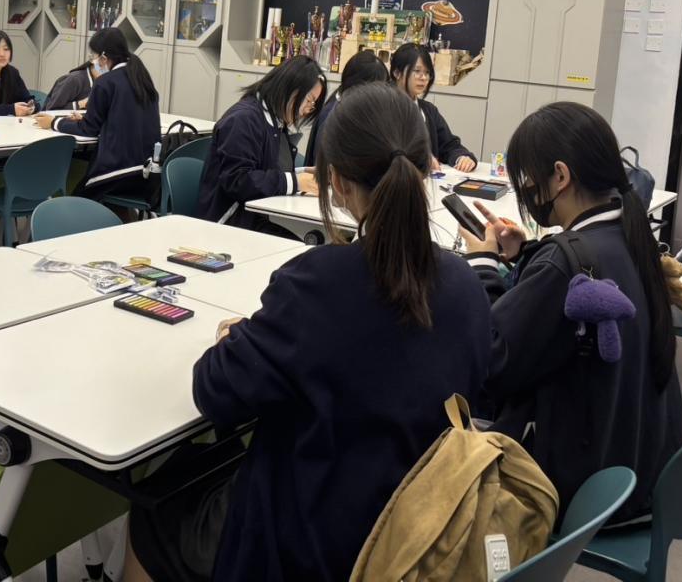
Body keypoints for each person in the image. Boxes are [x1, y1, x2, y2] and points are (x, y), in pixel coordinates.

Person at [123, 84, 492, 582]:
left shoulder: (318, 283)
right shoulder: (466, 285)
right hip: (424, 534)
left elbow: (215, 392)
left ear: (334, 180)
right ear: (426, 170)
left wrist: (237, 341)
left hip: (309, 543)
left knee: (153, 511)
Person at [459, 101, 682, 524]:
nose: (526, 190)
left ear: (560, 176)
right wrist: (526, 254)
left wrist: (483, 265)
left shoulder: (564, 262)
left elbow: (494, 360)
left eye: (528, 178)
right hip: (636, 472)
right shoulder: (630, 235)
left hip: (574, 488)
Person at [197, 56, 325, 232]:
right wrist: (296, 182)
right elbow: (239, 181)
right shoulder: (243, 119)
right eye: (309, 100)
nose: (308, 110)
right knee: (308, 240)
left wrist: (301, 174)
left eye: (313, 104)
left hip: (253, 217)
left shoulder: (274, 120)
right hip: (229, 222)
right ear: (290, 89)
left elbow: (264, 168)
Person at [34, 28, 160, 201]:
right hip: (146, 172)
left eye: (94, 55)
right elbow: (124, 116)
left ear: (104, 57)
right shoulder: (141, 78)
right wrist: (90, 118)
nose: (93, 61)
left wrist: (54, 122)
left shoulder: (105, 82)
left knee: (75, 201)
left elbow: (88, 129)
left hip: (116, 173)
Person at [391, 43, 476, 171]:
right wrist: (420, 159)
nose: (423, 78)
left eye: (427, 73)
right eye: (417, 71)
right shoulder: (383, 107)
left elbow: (448, 145)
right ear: (397, 73)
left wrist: (462, 157)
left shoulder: (429, 110)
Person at [303, 49, 391, 166]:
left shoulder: (354, 111)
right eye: (377, 89)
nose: (381, 95)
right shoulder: (333, 116)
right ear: (358, 86)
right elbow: (325, 168)